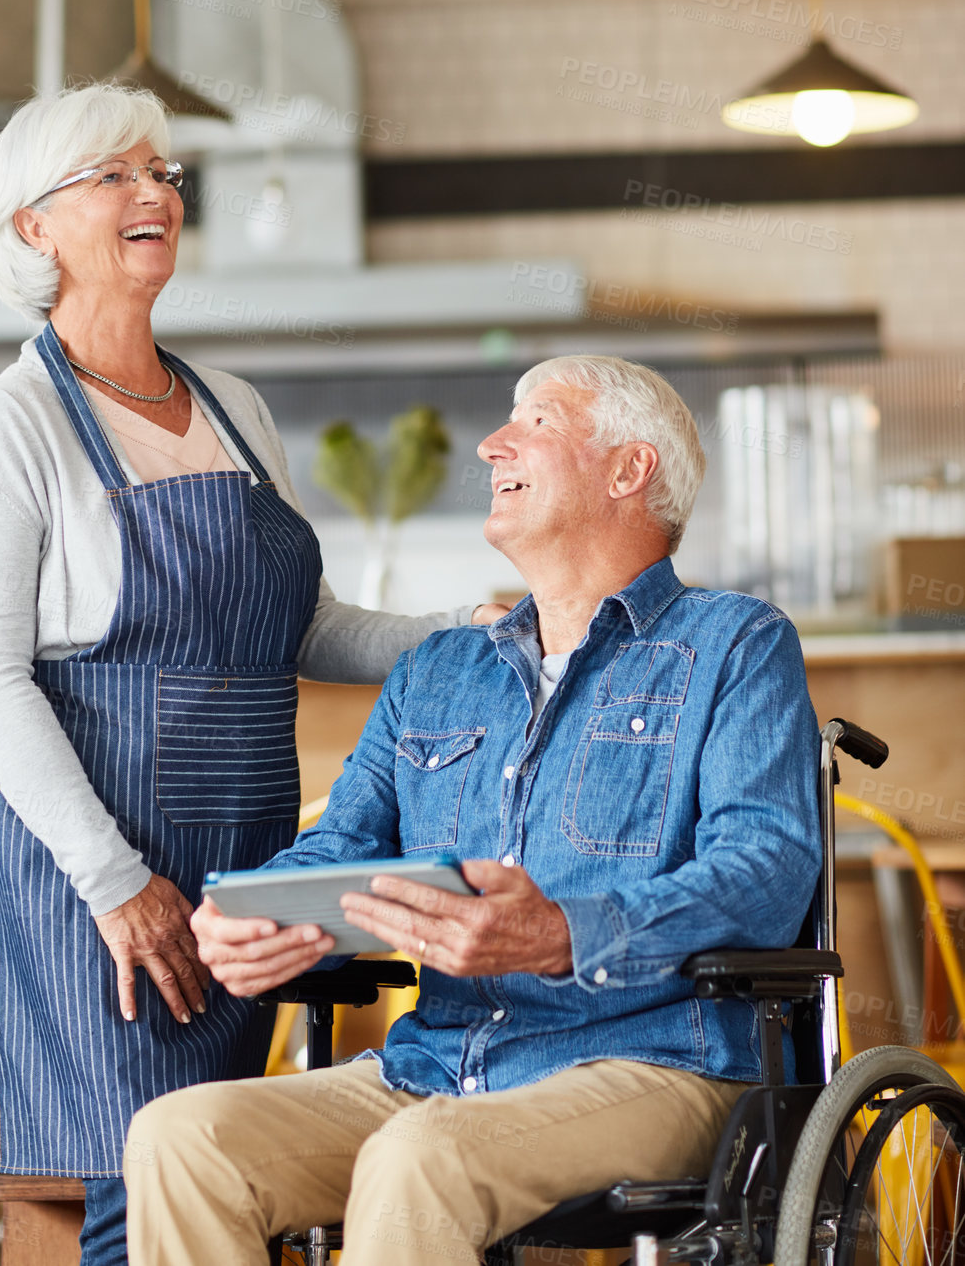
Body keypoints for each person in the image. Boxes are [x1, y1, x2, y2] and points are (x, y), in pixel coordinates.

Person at [0, 82, 503, 1266]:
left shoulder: (231, 408)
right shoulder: (11, 427)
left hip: (240, 852)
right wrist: (113, 881)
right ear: (33, 227)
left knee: (218, 1168)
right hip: (90, 861)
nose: (155, 194)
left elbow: (306, 625)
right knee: (128, 1177)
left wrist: (465, 628)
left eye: (164, 174)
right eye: (116, 176)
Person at [124, 354, 822, 1266]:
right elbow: (344, 844)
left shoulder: (736, 642)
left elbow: (762, 875)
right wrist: (259, 916)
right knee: (182, 1140)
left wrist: (565, 933)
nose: (494, 443)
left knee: (422, 1159)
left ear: (628, 469)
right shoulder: (440, 670)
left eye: (535, 421)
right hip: (440, 1065)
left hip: (657, 1061)